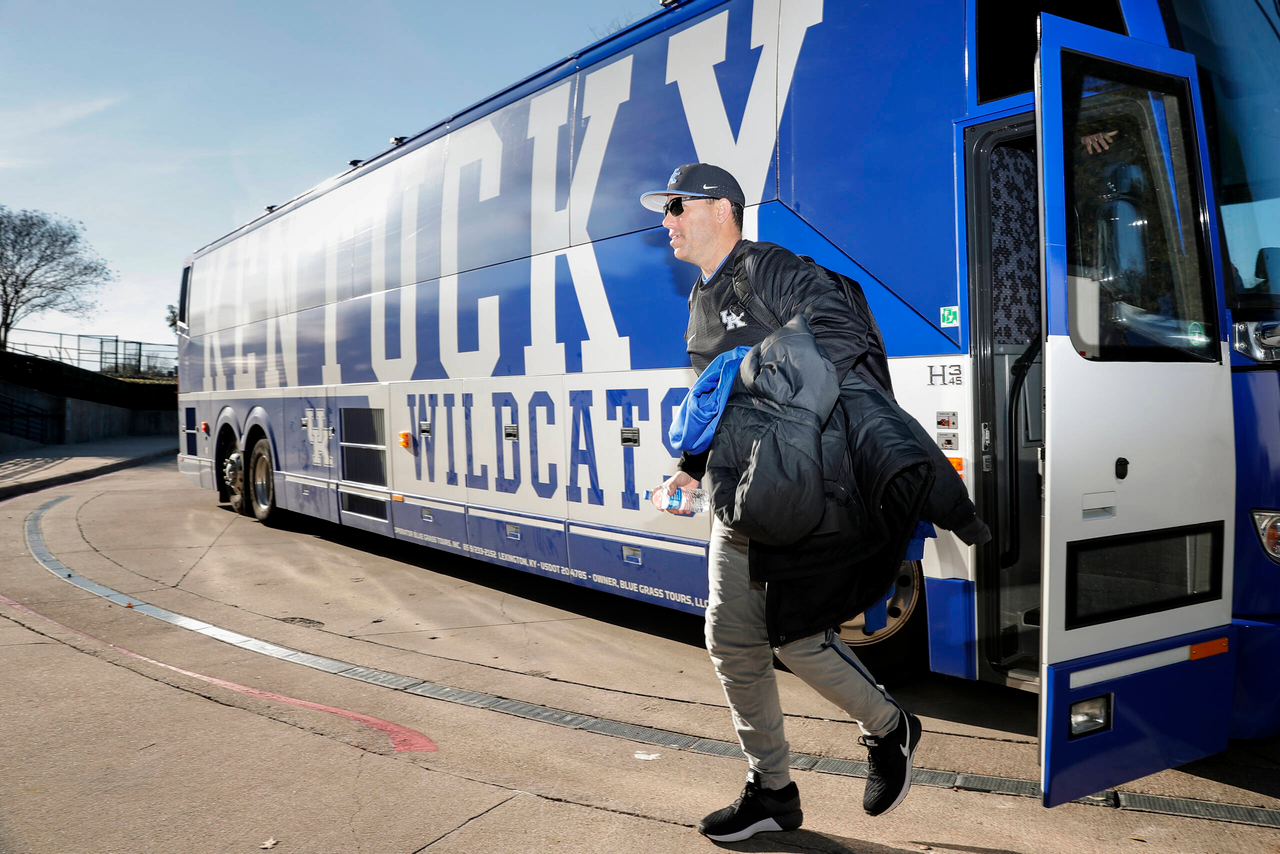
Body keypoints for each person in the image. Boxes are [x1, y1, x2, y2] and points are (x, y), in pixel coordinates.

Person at [641, 163, 989, 842]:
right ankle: (771, 789)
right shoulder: (700, 301)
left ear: (721, 208)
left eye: (678, 206)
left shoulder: (767, 269)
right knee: (732, 639)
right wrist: (690, 466)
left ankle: (889, 728)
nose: (667, 221)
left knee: (796, 633)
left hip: (797, 493)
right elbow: (719, 406)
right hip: (740, 498)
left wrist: (765, 373)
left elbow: (839, 327)